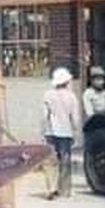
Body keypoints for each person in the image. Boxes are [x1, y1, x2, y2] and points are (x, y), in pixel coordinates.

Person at [42, 66, 81, 200]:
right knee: (65, 161)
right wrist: (76, 131)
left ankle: (51, 188)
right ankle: (64, 190)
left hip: (50, 132)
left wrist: (43, 131)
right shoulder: (72, 97)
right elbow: (75, 118)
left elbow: (44, 115)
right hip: (66, 133)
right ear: (66, 82)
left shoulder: (48, 95)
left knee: (51, 161)